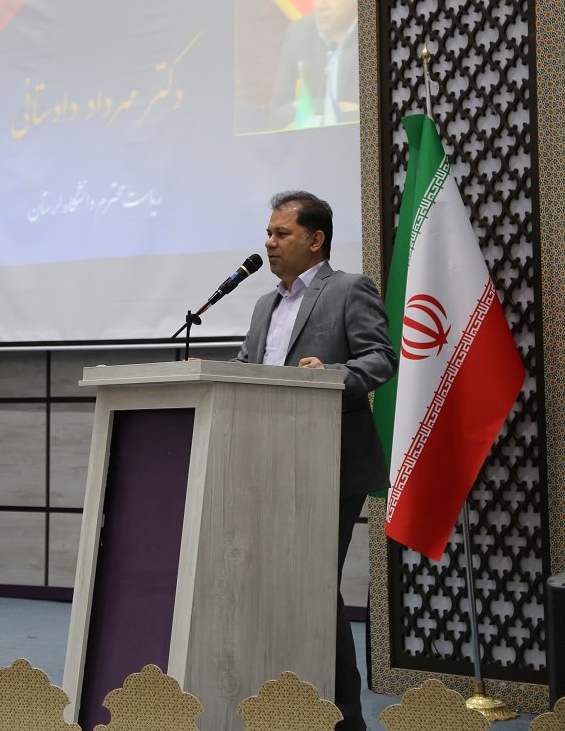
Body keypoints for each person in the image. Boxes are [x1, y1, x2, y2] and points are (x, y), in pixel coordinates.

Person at [235, 190, 396, 731]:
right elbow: (246, 369)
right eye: (269, 233)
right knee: (281, 589)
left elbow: (381, 357)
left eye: (281, 233)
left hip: (331, 464)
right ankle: (287, 704)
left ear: (315, 239)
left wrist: (332, 376)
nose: (269, 242)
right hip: (267, 465)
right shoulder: (265, 304)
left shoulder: (348, 289)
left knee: (315, 587)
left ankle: (345, 719)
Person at [267, 0, 370, 130]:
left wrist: (304, 110)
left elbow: (375, 113)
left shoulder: (375, 36)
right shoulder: (299, 33)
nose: (321, 4)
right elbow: (276, 113)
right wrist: (332, 108)